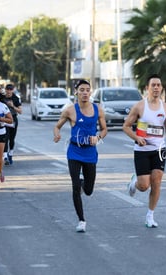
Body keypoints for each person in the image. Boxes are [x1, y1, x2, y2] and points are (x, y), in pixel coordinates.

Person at [53, 79, 107, 233]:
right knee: (75, 187)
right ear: (76, 92)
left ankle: (83, 184)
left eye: (87, 90)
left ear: (90, 92)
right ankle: (81, 220)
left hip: (90, 153)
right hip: (74, 152)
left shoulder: (98, 109)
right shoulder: (70, 110)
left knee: (88, 190)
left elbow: (104, 130)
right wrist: (56, 135)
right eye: (82, 90)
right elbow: (57, 126)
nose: (85, 93)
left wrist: (98, 138)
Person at [122, 74, 166, 228]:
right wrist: (137, 138)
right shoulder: (139, 106)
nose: (156, 88)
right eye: (153, 85)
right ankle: (134, 182)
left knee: (157, 182)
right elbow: (125, 126)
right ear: (147, 88)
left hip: (159, 149)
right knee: (144, 186)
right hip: (142, 149)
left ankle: (150, 216)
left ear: (161, 88)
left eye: (159, 85)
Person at [1, 84, 22, 165]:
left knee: (12, 139)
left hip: (13, 120)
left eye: (11, 89)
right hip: (5, 119)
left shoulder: (16, 98)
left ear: (13, 90)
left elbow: (20, 111)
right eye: (7, 89)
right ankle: (5, 156)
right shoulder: (2, 98)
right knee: (5, 137)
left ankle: (10, 154)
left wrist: (13, 106)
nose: (9, 91)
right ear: (5, 90)